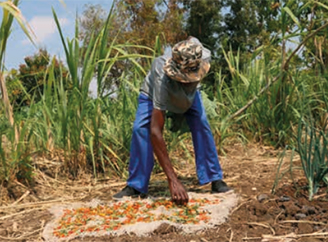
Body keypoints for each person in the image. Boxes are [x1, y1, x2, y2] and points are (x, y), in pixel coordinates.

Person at [113, 37, 230, 205]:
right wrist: (173, 180)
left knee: (201, 123)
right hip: (153, 95)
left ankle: (215, 178)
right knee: (140, 128)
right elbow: (155, 131)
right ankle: (136, 185)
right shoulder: (162, 75)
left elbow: (192, 39)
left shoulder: (203, 54)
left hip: (190, 96)